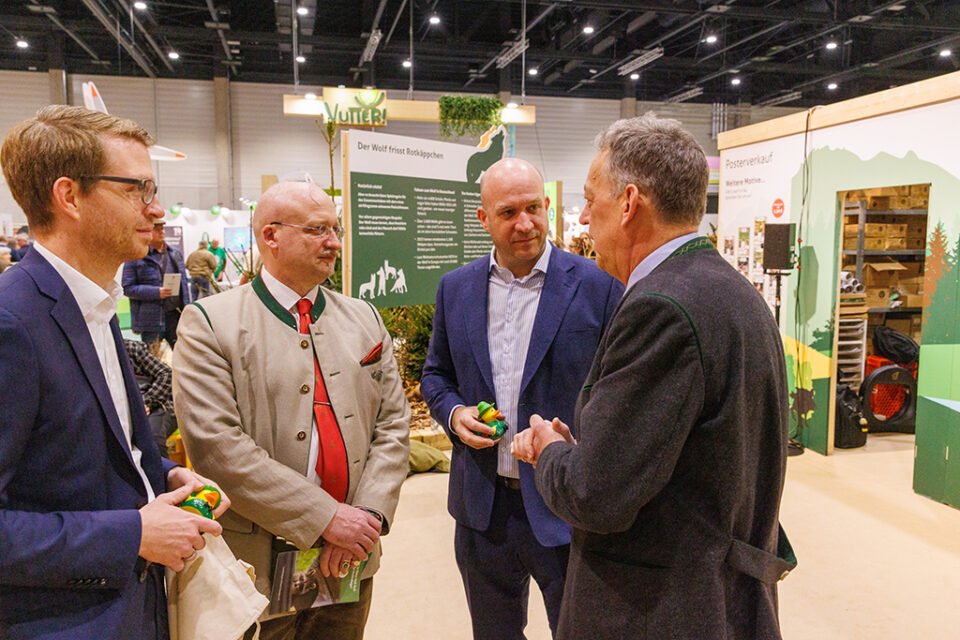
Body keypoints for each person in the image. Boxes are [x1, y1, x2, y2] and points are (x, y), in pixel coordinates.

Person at [510, 113, 795, 639]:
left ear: (629, 202)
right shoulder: (730, 291)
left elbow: (595, 496)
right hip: (718, 598)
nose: (583, 222)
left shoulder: (660, 309)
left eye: (590, 203)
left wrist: (549, 449)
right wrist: (591, 449)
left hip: (658, 611)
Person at [0, 104, 228, 640]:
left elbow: (104, 448)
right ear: (69, 196)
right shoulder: (13, 323)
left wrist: (164, 474)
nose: (155, 209)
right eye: (137, 189)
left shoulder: (93, 306)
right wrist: (133, 534)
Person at [173, 181, 410, 640]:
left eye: (336, 229)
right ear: (270, 237)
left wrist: (367, 518)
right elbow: (217, 448)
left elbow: (393, 424)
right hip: (254, 568)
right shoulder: (210, 324)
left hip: (351, 562)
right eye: (318, 229)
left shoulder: (364, 318)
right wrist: (327, 519)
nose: (335, 243)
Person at [420, 157, 623, 639]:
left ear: (548, 206)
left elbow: (617, 390)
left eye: (533, 207)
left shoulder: (598, 286)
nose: (525, 223)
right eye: (509, 212)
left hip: (566, 506)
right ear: (484, 218)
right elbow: (436, 375)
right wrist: (454, 413)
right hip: (483, 510)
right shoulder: (456, 288)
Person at [122, 219, 191, 349]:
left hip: (175, 317)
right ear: (147, 231)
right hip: (150, 321)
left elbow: (184, 286)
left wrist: (188, 312)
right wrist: (156, 292)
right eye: (156, 228)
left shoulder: (175, 254)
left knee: (183, 357)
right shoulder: (135, 255)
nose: (161, 231)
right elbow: (128, 288)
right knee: (153, 360)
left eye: (162, 228)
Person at [124, 338, 178, 454]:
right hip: (127, 411)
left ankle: (163, 471)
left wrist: (145, 402)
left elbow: (167, 374)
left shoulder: (130, 348)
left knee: (151, 438)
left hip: (159, 404)